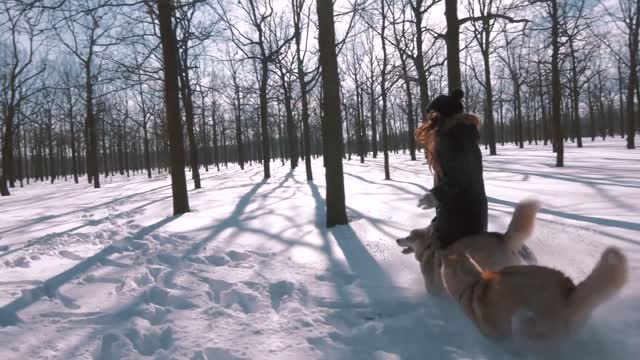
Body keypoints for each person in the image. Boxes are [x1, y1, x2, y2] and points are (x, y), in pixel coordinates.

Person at [414, 89, 488, 249]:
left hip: (461, 221)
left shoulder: (454, 138)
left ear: (442, 117)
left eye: (433, 117)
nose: (431, 123)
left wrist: (436, 195)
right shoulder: (460, 136)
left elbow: (462, 175)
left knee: (453, 269)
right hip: (463, 217)